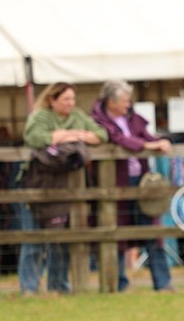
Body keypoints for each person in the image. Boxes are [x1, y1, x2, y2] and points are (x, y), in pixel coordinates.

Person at [20, 82, 108, 294]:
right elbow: (35, 138)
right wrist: (71, 135)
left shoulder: (77, 115)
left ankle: (59, 285)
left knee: (61, 239)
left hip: (66, 186)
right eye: (66, 99)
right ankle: (29, 288)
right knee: (34, 238)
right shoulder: (40, 116)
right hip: (37, 183)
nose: (71, 103)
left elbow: (101, 135)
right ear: (52, 100)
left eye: (72, 99)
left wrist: (68, 135)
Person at [91, 81, 174, 292]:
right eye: (125, 100)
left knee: (152, 230)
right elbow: (118, 139)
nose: (129, 104)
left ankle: (163, 283)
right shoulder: (98, 121)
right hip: (114, 182)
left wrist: (160, 142)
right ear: (112, 101)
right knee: (116, 231)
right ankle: (118, 284)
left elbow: (146, 136)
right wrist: (146, 145)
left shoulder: (132, 117)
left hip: (141, 181)